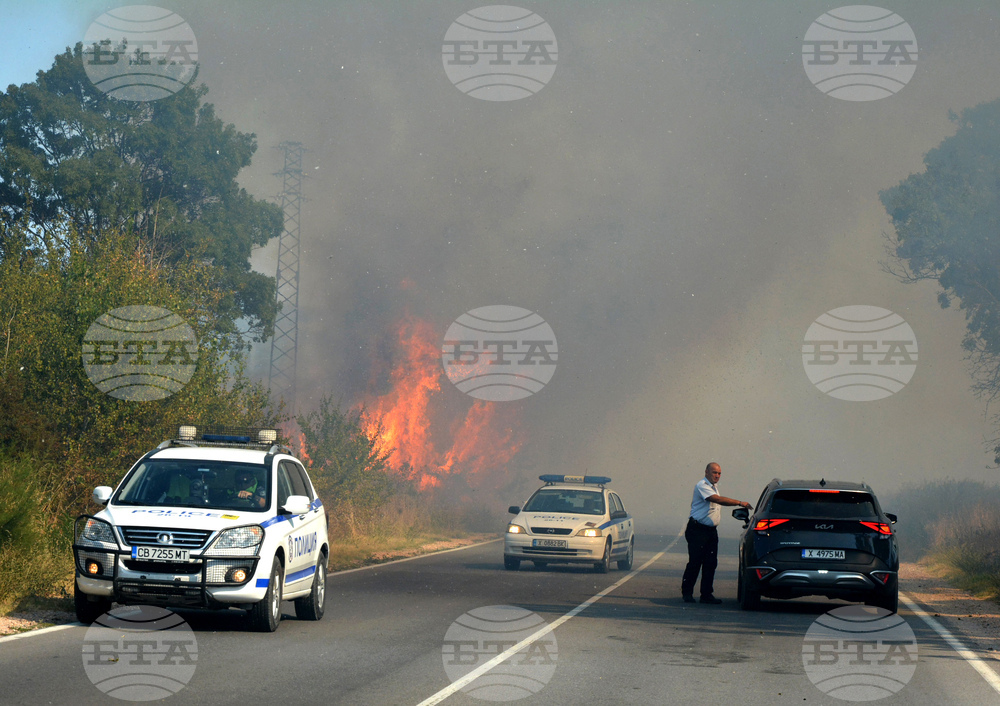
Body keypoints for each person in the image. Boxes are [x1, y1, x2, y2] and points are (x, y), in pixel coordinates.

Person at [681, 462, 751, 604]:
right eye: (714, 472)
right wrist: (739, 502)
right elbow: (717, 500)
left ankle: (706, 594)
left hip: (710, 531)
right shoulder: (702, 485)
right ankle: (687, 593)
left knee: (711, 563)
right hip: (697, 530)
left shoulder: (714, 487)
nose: (717, 476)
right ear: (706, 472)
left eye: (719, 473)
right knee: (695, 562)